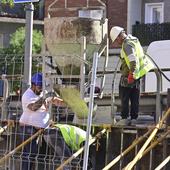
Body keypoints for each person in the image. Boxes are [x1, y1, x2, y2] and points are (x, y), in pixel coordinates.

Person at [110, 26, 155, 126]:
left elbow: (133, 60)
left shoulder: (126, 45)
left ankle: (125, 118)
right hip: (138, 74)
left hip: (130, 74)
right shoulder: (133, 39)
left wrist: (131, 75)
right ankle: (134, 118)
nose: (117, 43)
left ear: (118, 37)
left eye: (116, 40)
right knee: (135, 97)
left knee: (124, 96)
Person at [19, 72, 64, 170]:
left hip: (41, 128)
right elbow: (34, 107)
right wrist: (44, 98)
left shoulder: (42, 92)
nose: (40, 89)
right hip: (27, 128)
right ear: (33, 85)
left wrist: (63, 101)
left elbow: (53, 100)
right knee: (30, 152)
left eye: (42, 87)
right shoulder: (27, 95)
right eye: (39, 87)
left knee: (37, 153)